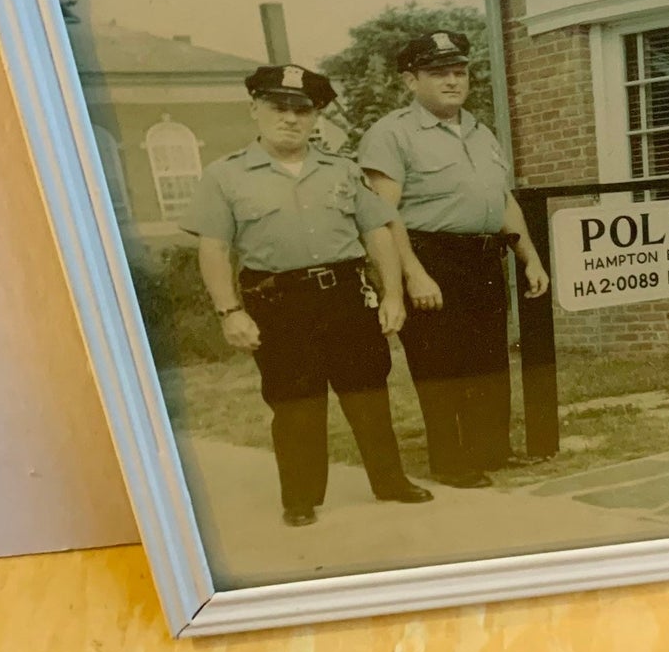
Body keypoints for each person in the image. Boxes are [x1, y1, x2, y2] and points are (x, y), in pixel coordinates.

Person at [185, 63, 432, 528]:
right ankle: (299, 498)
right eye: (279, 107)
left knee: (368, 393)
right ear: (254, 109)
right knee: (295, 403)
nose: (291, 118)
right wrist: (229, 311)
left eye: (303, 109)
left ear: (316, 116)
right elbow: (214, 247)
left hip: (345, 296)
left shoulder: (342, 169)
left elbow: (377, 231)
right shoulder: (226, 176)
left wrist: (393, 295)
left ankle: (390, 481)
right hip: (279, 302)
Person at [358, 30, 550, 489]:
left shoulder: (480, 132)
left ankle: (490, 451)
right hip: (430, 257)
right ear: (410, 80)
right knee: (441, 365)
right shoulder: (391, 134)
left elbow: (502, 200)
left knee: (487, 359)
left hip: (483, 257)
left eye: (459, 72)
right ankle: (450, 460)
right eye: (438, 73)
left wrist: (530, 258)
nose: (452, 81)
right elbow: (382, 215)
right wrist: (413, 274)